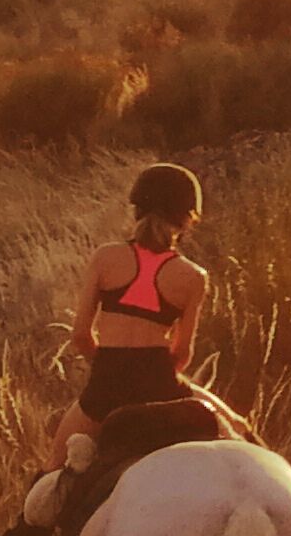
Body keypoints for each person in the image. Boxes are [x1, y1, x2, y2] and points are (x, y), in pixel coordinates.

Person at [49, 162, 211, 465]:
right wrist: (150, 374)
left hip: (106, 387)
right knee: (238, 430)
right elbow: (182, 354)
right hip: (161, 386)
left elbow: (81, 336)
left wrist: (110, 367)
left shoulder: (105, 257)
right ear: (187, 219)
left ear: (136, 208)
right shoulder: (193, 277)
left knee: (51, 473)